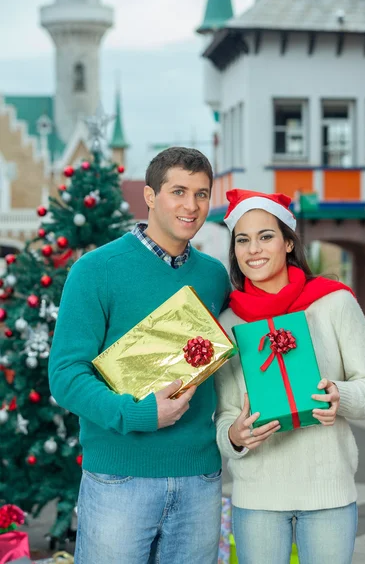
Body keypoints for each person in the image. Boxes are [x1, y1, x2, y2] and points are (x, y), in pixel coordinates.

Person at [48, 147, 231, 564]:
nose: (192, 206)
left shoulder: (214, 276)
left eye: (202, 194)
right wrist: (139, 414)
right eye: (178, 191)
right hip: (119, 476)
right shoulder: (97, 270)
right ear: (149, 196)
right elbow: (65, 375)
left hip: (199, 477)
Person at [215, 189, 365, 564]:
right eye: (242, 240)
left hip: (328, 495)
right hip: (257, 499)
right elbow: (224, 415)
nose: (253, 249)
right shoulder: (228, 324)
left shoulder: (335, 302)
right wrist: (234, 436)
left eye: (266, 236)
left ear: (289, 242)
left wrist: (340, 395)